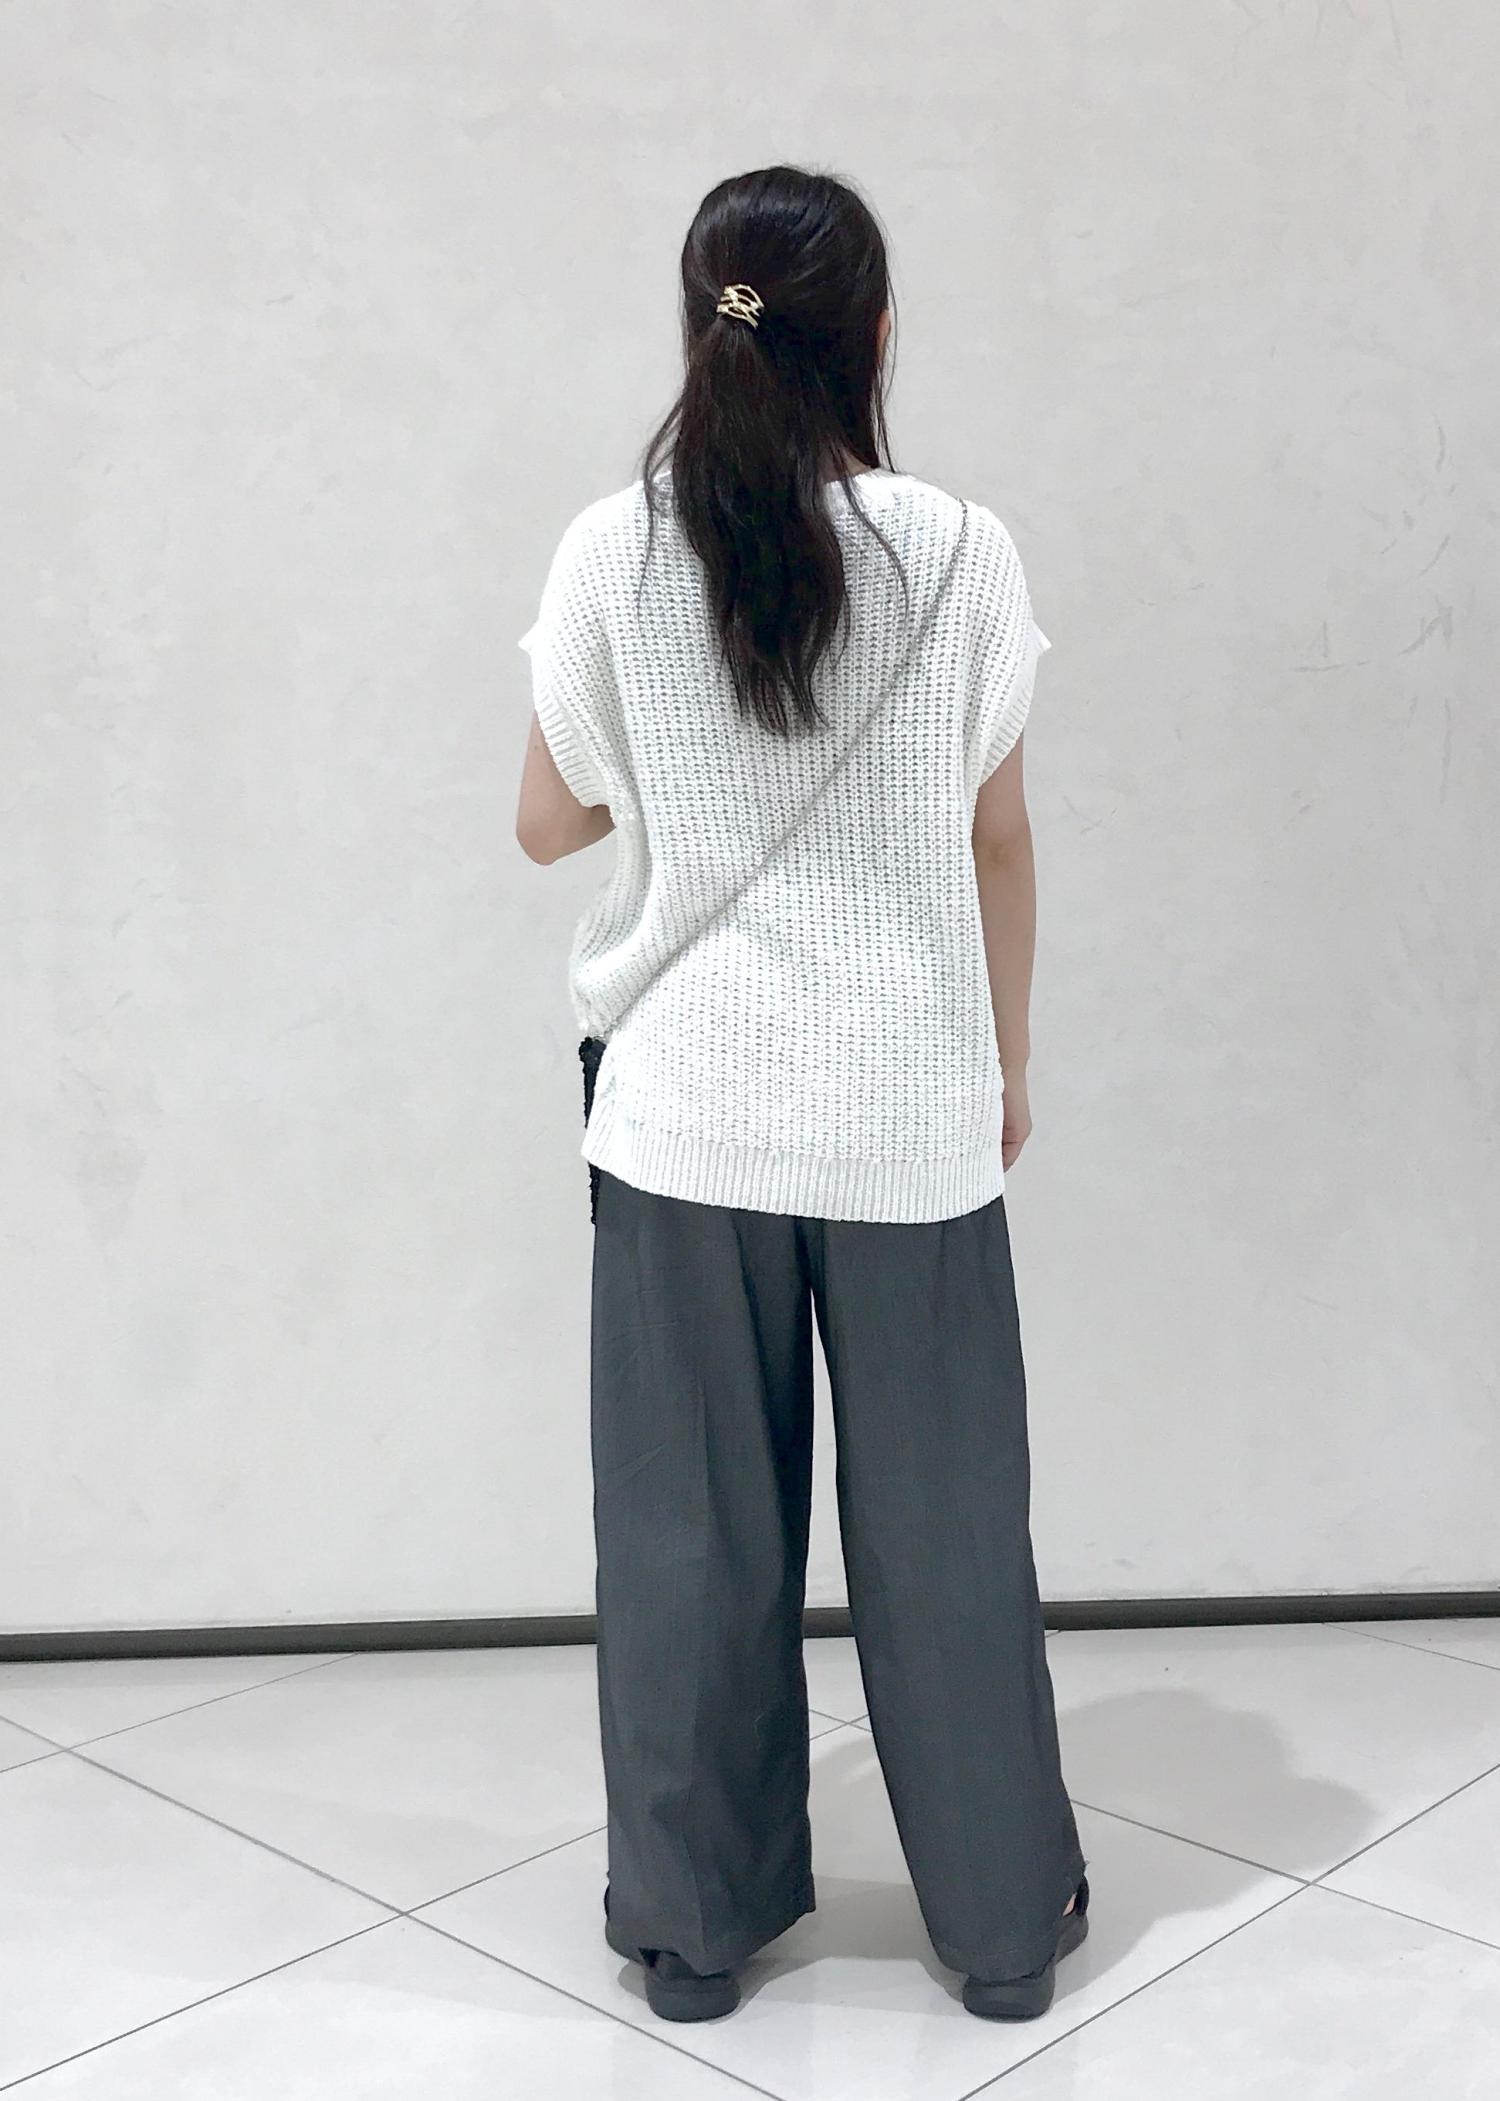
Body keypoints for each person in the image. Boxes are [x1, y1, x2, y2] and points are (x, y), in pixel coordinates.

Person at [514, 163, 1088, 2026]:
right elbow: (999, 840)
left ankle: (694, 1935)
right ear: (879, 336)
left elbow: (543, 823)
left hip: (682, 1116)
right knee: (949, 1536)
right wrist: (1005, 1059)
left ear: (701, 327)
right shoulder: (964, 551)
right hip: (911, 1114)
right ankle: (999, 1931)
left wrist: (687, 766)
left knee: (687, 1537)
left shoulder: (611, 551)